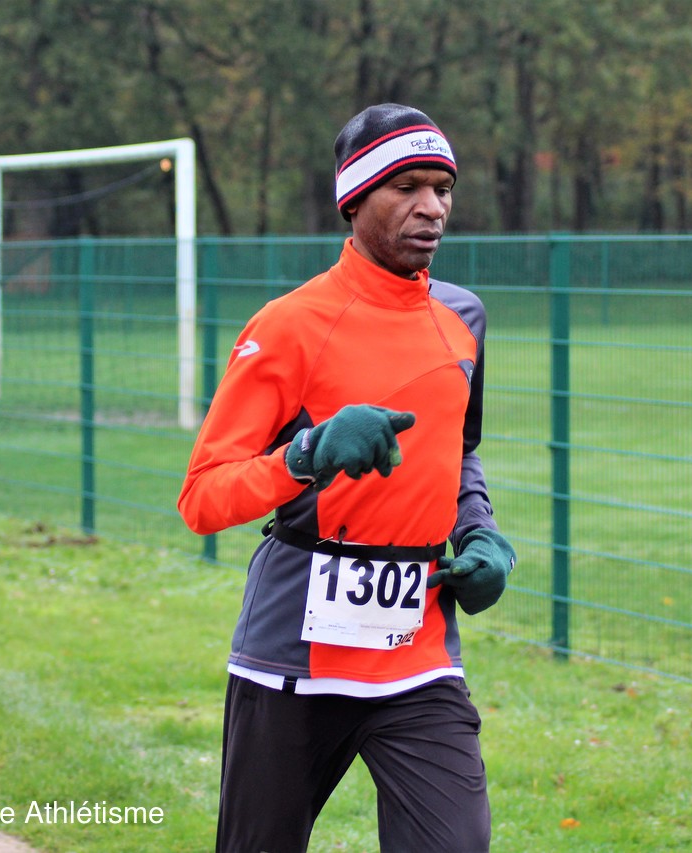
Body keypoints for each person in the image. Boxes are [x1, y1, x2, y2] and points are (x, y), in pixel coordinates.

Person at [177, 103, 516, 852]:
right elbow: (202, 497)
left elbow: (458, 451)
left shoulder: (464, 318)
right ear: (355, 199)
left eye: (443, 189)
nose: (432, 207)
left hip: (419, 653)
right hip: (293, 658)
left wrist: (480, 532)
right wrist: (308, 454)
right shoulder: (289, 325)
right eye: (407, 187)